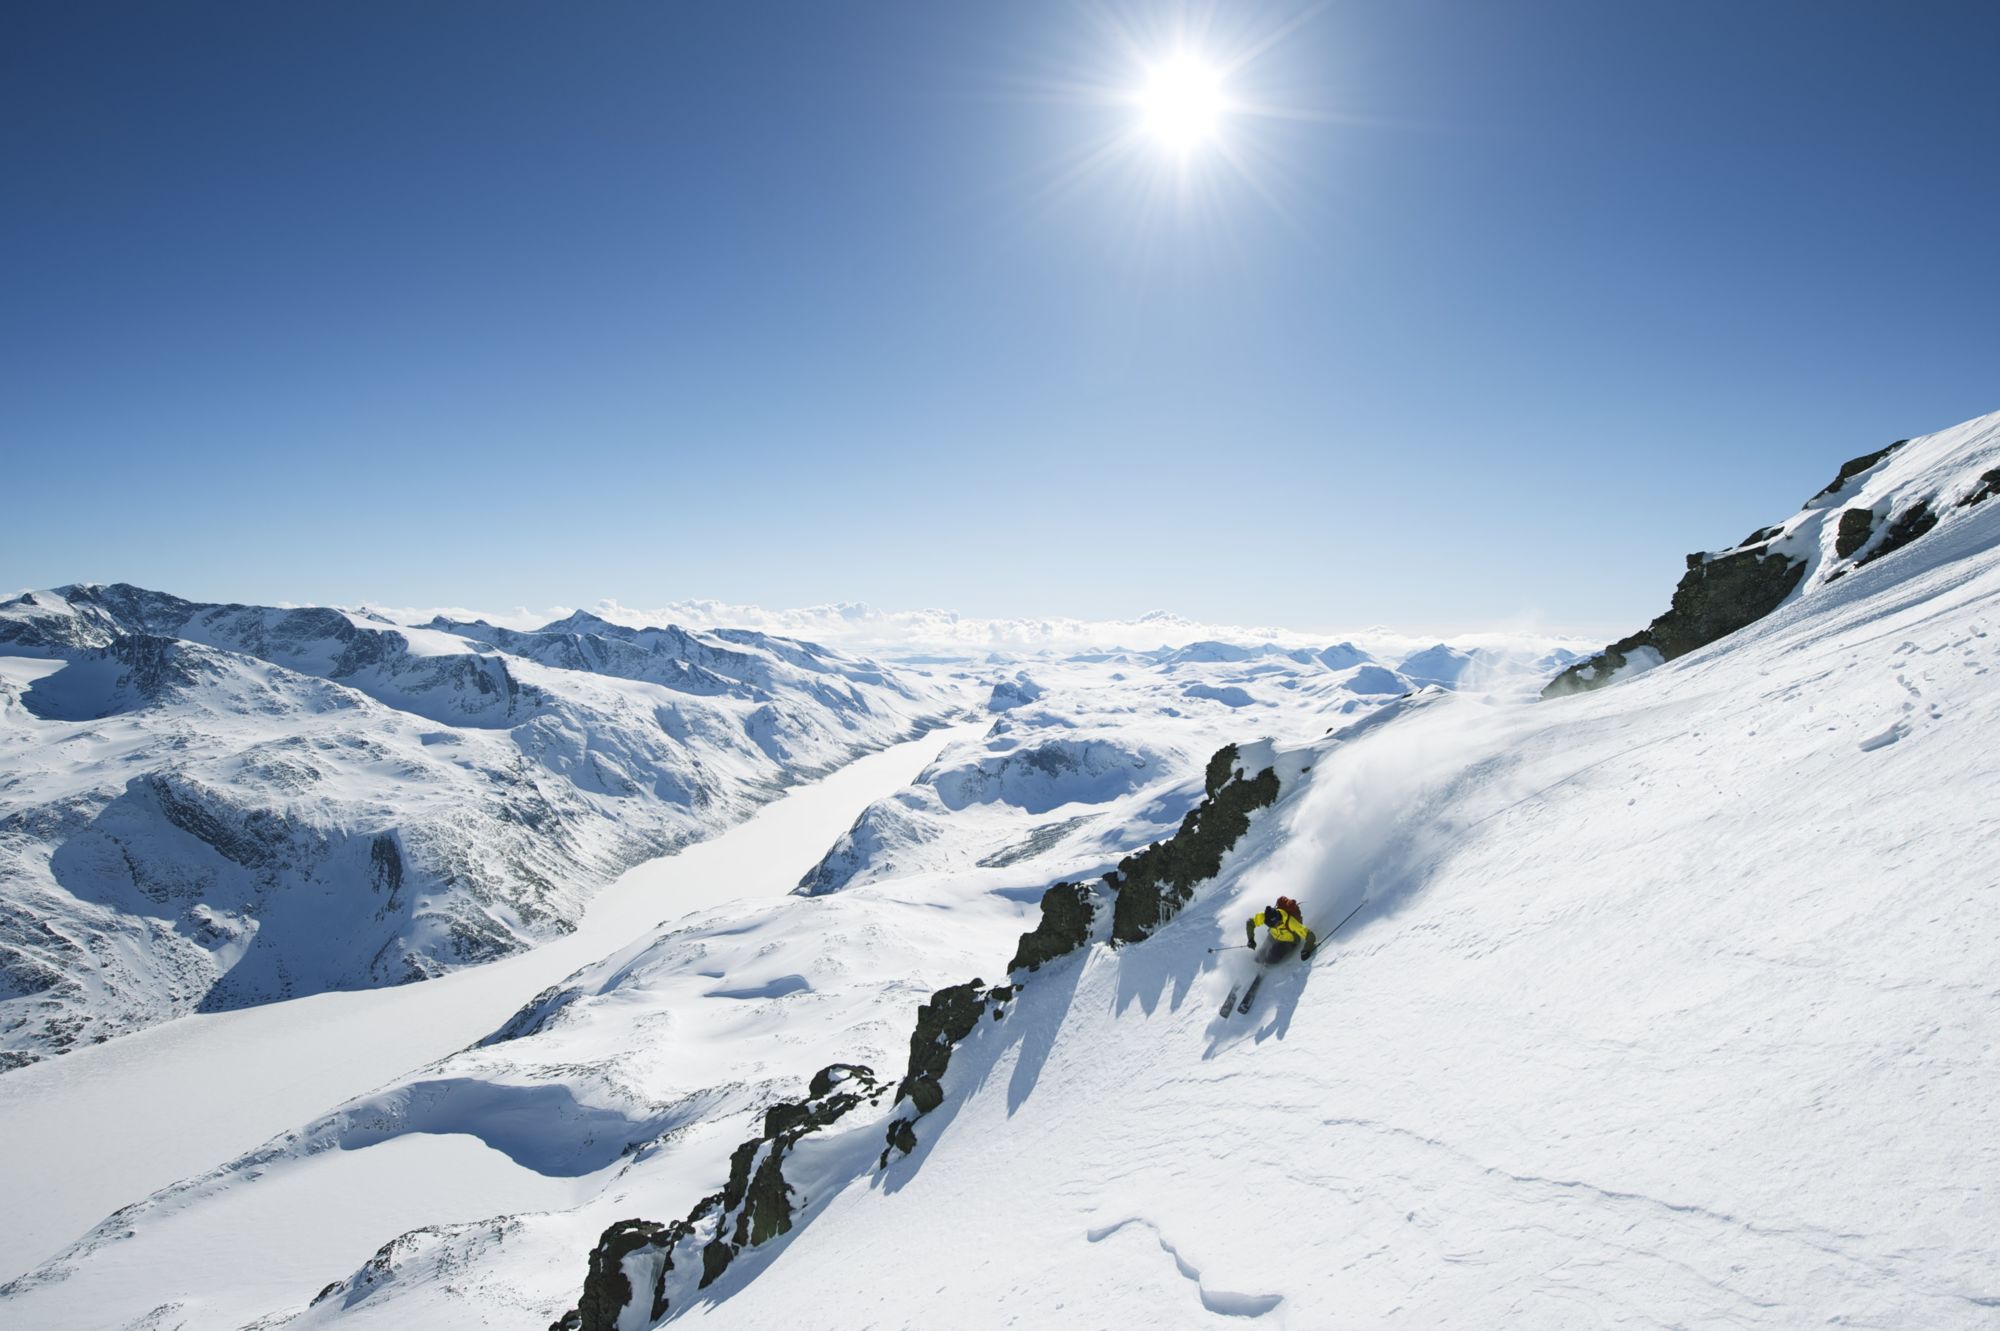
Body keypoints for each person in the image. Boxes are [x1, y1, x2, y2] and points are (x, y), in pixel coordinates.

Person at [1245, 895, 1318, 963]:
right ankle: (1263, 960)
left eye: (1273, 925)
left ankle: (1268, 964)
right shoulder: (1264, 917)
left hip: (1289, 941)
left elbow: (1310, 935)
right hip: (1273, 936)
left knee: (1271, 958)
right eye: (1270, 925)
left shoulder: (1290, 922)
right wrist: (1251, 939)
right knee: (1259, 957)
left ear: (1278, 920)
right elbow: (1250, 923)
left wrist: (1306, 949)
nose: (1273, 926)